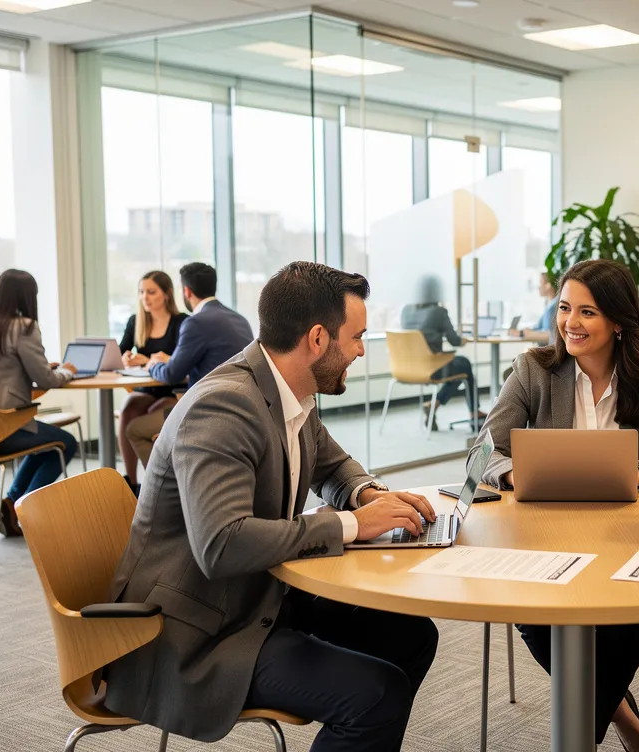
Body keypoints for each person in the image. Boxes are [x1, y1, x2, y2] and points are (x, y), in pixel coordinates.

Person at [103, 262, 440, 751]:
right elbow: (222, 544)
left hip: (257, 597)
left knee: (412, 637)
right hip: (196, 634)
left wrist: (371, 495)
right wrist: (352, 524)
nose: (363, 350)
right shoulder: (223, 406)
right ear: (319, 339)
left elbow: (334, 466)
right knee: (375, 696)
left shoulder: (289, 391)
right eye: (358, 337)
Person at [467, 258, 639, 752]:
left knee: (624, 621)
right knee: (534, 615)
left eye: (587, 312)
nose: (570, 323)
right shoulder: (534, 370)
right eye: (564, 309)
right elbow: (481, 451)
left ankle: (584, 733)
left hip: (628, 533)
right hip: (543, 534)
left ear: (618, 321)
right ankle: (631, 729)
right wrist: (516, 471)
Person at [0, 269, 79, 537]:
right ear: (27, 297)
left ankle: (10, 503)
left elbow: (1, 370)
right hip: (4, 426)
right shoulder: (23, 327)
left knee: (45, 447)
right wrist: (68, 370)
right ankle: (20, 509)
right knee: (66, 443)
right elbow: (47, 380)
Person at [124, 262, 253, 471]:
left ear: (186, 291)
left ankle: (164, 492)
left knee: (135, 429)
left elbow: (172, 374)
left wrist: (151, 363)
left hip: (204, 411)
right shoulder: (239, 320)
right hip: (242, 410)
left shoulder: (196, 322)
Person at [117, 270, 189, 491]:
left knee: (150, 415)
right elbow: (120, 352)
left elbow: (180, 363)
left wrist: (147, 359)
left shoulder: (182, 322)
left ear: (166, 294)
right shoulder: (135, 321)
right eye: (141, 292)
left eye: (151, 292)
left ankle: (155, 484)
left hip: (172, 389)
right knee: (128, 411)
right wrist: (126, 358)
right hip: (146, 387)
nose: (144, 298)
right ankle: (131, 482)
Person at [400, 276, 483, 430]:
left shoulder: (406, 310)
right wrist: (462, 340)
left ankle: (435, 404)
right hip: (432, 368)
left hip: (406, 368)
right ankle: (473, 413)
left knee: (459, 369)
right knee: (464, 365)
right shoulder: (438, 312)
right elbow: (454, 341)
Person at [510, 271, 559, 344]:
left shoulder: (553, 306)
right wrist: (527, 331)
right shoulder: (549, 304)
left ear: (548, 285)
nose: (538, 287)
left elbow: (549, 334)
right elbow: (539, 327)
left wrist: (522, 334)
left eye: (540, 283)